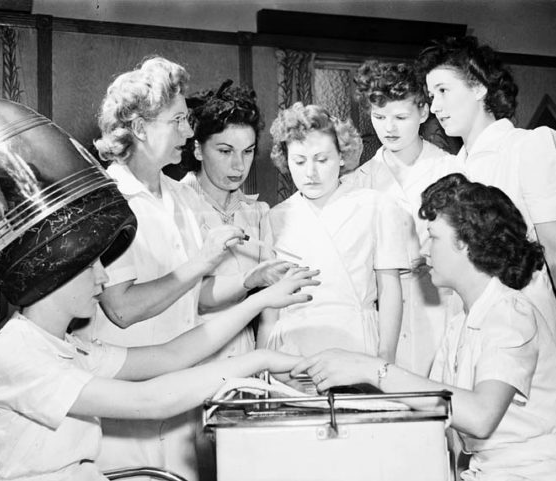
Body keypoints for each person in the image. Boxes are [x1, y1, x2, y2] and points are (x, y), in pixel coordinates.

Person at [294, 173, 556, 481]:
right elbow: (435, 409)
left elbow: (480, 416)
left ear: (467, 244)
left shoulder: (510, 313)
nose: (424, 251)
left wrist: (373, 369)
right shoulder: (463, 322)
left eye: (433, 237)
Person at [84, 57, 293, 480]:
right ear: (140, 128)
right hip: (125, 393)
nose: (186, 130)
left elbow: (196, 295)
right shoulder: (106, 198)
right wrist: (202, 261)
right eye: (177, 120)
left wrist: (252, 281)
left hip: (180, 388)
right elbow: (121, 309)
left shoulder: (180, 197)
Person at [0, 252, 317, 480]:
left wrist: (261, 300)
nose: (103, 278)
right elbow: (149, 400)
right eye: (90, 267)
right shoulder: (14, 352)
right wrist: (258, 359)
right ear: (49, 274)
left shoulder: (66, 345)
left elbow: (171, 356)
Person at [418, 35, 556, 368]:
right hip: (466, 322)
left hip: (523, 319)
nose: (434, 107)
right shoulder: (452, 167)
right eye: (432, 96)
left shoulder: (528, 147)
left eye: (444, 91)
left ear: (478, 88)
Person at [259, 102, 410, 363]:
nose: (310, 173)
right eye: (299, 161)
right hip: (291, 349)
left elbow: (390, 289)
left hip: (357, 344)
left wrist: (386, 357)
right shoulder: (275, 217)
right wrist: (263, 364)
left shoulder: (375, 205)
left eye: (322, 159)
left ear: (341, 156)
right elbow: (270, 308)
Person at [344, 59, 458, 375]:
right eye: (379, 117)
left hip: (442, 298)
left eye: (400, 117)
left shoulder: (451, 169)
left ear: (423, 112)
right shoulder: (359, 180)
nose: (389, 128)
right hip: (384, 304)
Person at [180, 79, 273, 361]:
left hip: (244, 352)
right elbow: (189, 295)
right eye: (225, 151)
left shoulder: (258, 213)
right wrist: (249, 280)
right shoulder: (176, 205)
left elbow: (270, 306)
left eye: (247, 151)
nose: (239, 165)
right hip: (188, 353)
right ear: (197, 150)